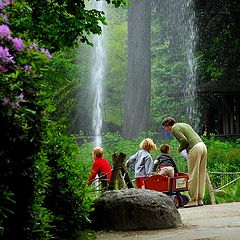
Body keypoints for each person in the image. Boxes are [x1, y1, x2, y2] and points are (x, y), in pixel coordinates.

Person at [162, 117, 207, 207]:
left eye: (164, 127)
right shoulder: (184, 124)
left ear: (167, 125)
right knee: (201, 173)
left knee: (193, 174)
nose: (165, 129)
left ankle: (194, 199)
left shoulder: (174, 128)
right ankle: (200, 199)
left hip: (194, 148)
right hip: (202, 146)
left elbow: (183, 140)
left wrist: (180, 149)